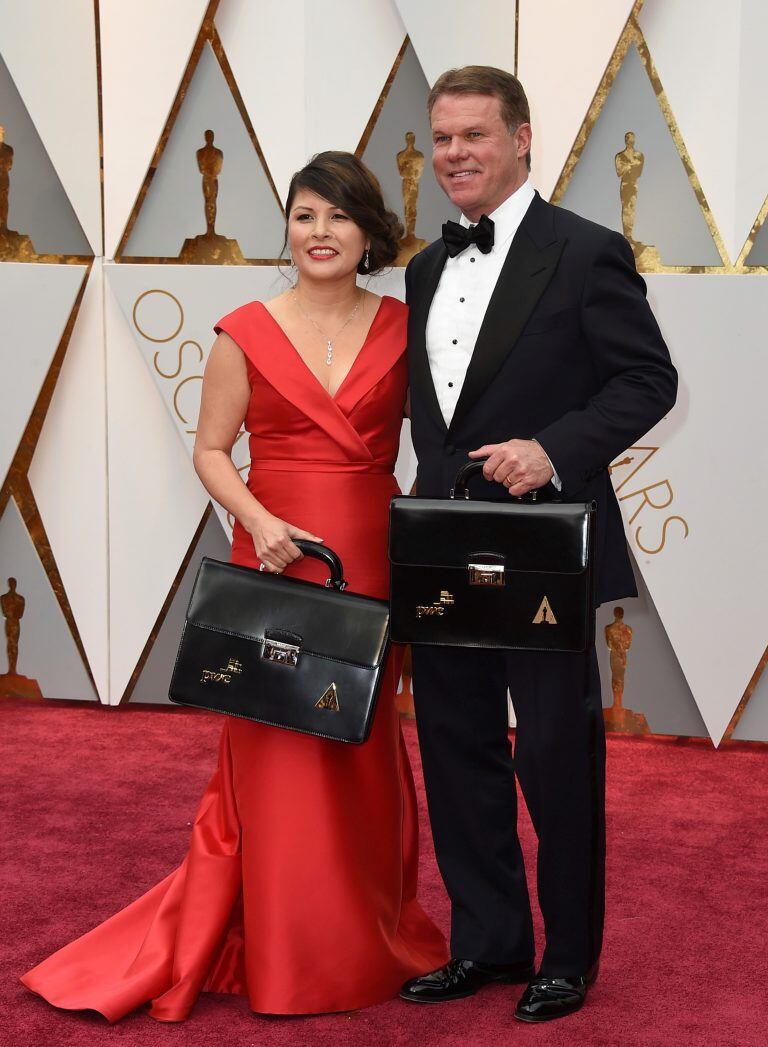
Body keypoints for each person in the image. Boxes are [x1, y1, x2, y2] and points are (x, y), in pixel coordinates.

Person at [20, 151, 448, 1022]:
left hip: (369, 556)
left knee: (359, 749)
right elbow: (211, 450)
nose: (319, 232)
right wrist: (259, 523)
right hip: (277, 555)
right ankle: (288, 947)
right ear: (286, 229)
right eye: (303, 216)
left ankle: (362, 934)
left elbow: (441, 437)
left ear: (368, 232)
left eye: (337, 216)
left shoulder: (408, 328)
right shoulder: (242, 330)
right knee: (278, 751)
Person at [398, 67, 677, 1023]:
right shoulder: (425, 267)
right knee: (455, 746)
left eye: (474, 135)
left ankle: (569, 955)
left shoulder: (589, 251)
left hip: (546, 544)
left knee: (556, 755)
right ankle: (488, 942)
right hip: (443, 543)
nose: (456, 155)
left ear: (522, 139)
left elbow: (648, 381)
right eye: (441, 138)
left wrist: (552, 450)